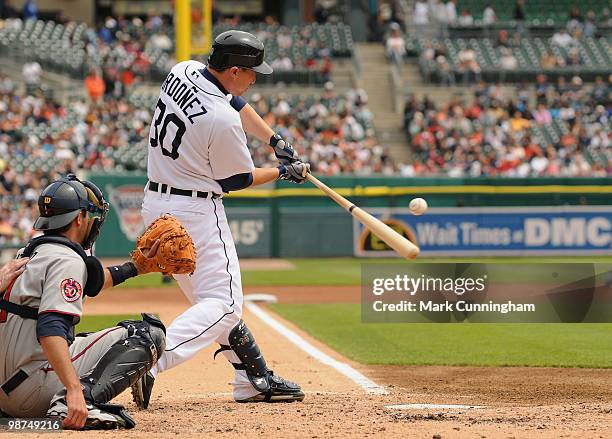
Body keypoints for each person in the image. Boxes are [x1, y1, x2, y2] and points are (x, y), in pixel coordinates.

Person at [133, 30, 308, 409]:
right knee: (225, 304)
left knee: (209, 306)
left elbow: (234, 99)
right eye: (250, 71)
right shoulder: (221, 120)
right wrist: (283, 172)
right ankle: (149, 360)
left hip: (157, 202)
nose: (254, 77)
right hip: (195, 212)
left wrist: (273, 139)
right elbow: (237, 181)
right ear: (232, 69)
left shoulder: (185, 70)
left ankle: (252, 378)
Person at [0, 174, 166, 429]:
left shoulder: (32, 253)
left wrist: (135, 267)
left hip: (7, 391)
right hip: (31, 392)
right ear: (79, 218)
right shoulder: (67, 260)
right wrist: (73, 388)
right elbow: (51, 328)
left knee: (83, 337)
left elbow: (91, 282)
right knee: (145, 334)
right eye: (90, 215)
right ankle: (75, 401)